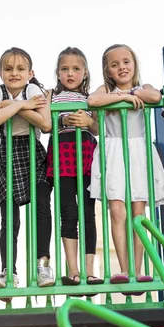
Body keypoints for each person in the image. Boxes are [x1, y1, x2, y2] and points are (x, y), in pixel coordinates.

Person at [88, 44, 164, 294]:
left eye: (126, 62)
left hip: (138, 152)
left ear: (134, 65)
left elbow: (155, 97)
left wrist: (133, 92)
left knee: (138, 212)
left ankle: (138, 269)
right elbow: (94, 100)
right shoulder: (107, 90)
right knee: (116, 211)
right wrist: (123, 97)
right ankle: (124, 269)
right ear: (108, 70)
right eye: (115, 64)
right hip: (113, 150)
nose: (121, 67)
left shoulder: (143, 88)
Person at [0, 47, 55, 298]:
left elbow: (45, 124)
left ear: (30, 72)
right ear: (1, 72)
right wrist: (24, 106)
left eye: (20, 69)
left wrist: (13, 106)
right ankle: (8, 271)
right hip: (8, 153)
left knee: (42, 208)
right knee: (9, 218)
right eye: (8, 68)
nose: (14, 73)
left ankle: (43, 265)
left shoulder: (33, 90)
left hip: (32, 150)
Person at [46, 47, 103, 288]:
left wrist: (90, 122)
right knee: (68, 212)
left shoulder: (92, 98)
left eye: (76, 69)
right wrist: (62, 119)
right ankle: (73, 269)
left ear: (85, 72)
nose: (70, 73)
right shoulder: (51, 96)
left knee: (88, 213)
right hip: (62, 156)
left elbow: (101, 129)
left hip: (87, 156)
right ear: (58, 73)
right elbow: (45, 124)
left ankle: (89, 270)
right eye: (65, 69)